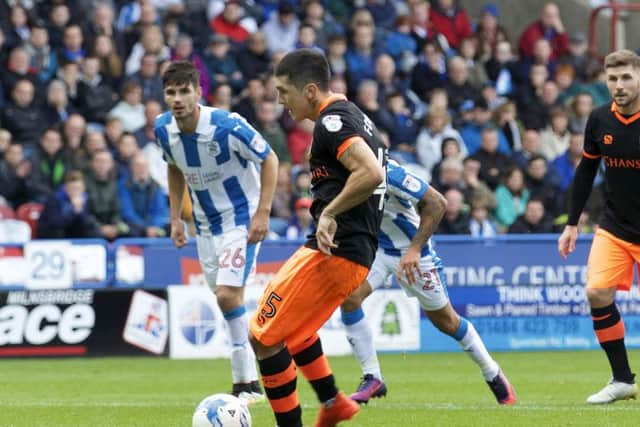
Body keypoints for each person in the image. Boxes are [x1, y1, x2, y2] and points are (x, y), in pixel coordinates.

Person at [249, 49, 386, 427]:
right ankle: (333, 401)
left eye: (283, 91)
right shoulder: (357, 118)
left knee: (263, 336)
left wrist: (330, 212)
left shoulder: (333, 123)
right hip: (345, 250)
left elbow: (371, 173)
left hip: (339, 250)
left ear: (310, 91)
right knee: (292, 327)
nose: (280, 101)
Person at [340, 160, 516, 405]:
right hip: (379, 252)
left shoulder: (388, 172)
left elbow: (438, 202)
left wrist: (414, 249)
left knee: (447, 322)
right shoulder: (339, 174)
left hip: (414, 254)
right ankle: (373, 377)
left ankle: (492, 372)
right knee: (349, 298)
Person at [156, 61, 278, 402]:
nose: (177, 99)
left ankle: (245, 382)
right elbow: (174, 167)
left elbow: (269, 159)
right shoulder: (163, 129)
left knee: (227, 295)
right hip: (205, 227)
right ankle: (252, 381)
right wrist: (176, 218)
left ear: (198, 93)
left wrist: (263, 213)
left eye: (184, 91)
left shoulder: (228, 125)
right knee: (227, 300)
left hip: (241, 219)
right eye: (171, 92)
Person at [558, 49, 640, 404]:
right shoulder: (598, 119)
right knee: (597, 292)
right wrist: (572, 223)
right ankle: (622, 379)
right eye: (613, 78)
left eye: (626, 77)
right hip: (615, 228)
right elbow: (586, 171)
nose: (619, 86)